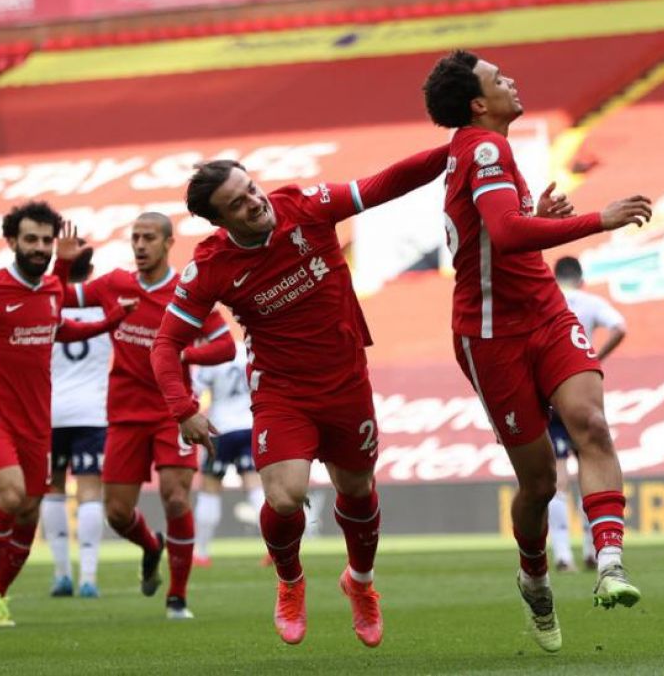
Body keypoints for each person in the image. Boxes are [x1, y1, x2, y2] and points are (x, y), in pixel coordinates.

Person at [149, 145, 452, 648]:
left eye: (251, 189)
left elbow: (384, 183)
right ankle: (290, 581)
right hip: (282, 392)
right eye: (238, 203)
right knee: (285, 496)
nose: (254, 202)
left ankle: (360, 582)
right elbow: (165, 344)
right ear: (220, 222)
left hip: (346, 382)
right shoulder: (211, 266)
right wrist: (183, 409)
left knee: (357, 490)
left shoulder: (306, 206)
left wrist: (456, 146)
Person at [423, 49, 650, 652]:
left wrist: (534, 215)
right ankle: (534, 577)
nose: (511, 81)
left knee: (590, 422)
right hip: (490, 337)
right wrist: (598, 219)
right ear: (478, 103)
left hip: (546, 313)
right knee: (541, 481)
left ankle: (609, 562)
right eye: (498, 78)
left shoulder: (484, 149)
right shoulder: (484, 149)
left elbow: (499, 230)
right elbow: (504, 234)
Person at [0, 201, 133, 628]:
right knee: (11, 495)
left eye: (45, 240)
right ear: (12, 241)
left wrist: (110, 321)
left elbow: (60, 329)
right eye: (31, 239)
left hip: (38, 420)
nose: (39, 247)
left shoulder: (53, 289)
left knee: (29, 511)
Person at [56, 212, 234, 620]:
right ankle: (151, 547)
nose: (140, 245)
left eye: (149, 237)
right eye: (135, 237)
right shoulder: (114, 285)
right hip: (125, 415)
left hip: (175, 412)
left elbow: (225, 346)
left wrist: (180, 354)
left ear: (168, 243)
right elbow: (58, 298)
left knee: (176, 497)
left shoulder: (187, 291)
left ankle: (177, 597)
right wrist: (63, 265)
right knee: (117, 513)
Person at [41, 244, 112, 599]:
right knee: (89, 491)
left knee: (53, 487)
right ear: (92, 270)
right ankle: (89, 577)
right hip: (93, 411)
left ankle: (61, 574)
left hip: (51, 411)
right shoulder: (105, 306)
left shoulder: (47, 304)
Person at [547, 256, 627, 572]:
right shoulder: (591, 302)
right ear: (581, 280)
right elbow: (620, 327)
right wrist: (595, 358)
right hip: (582, 390)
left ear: (554, 278)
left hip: (551, 393)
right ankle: (593, 549)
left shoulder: (546, 300)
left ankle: (562, 554)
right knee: (590, 465)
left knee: (557, 475)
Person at [191, 340, 264, 567]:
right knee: (255, 486)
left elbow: (194, 391)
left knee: (210, 488)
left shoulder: (210, 357)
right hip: (249, 426)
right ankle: (274, 546)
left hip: (221, 429)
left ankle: (201, 553)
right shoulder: (245, 351)